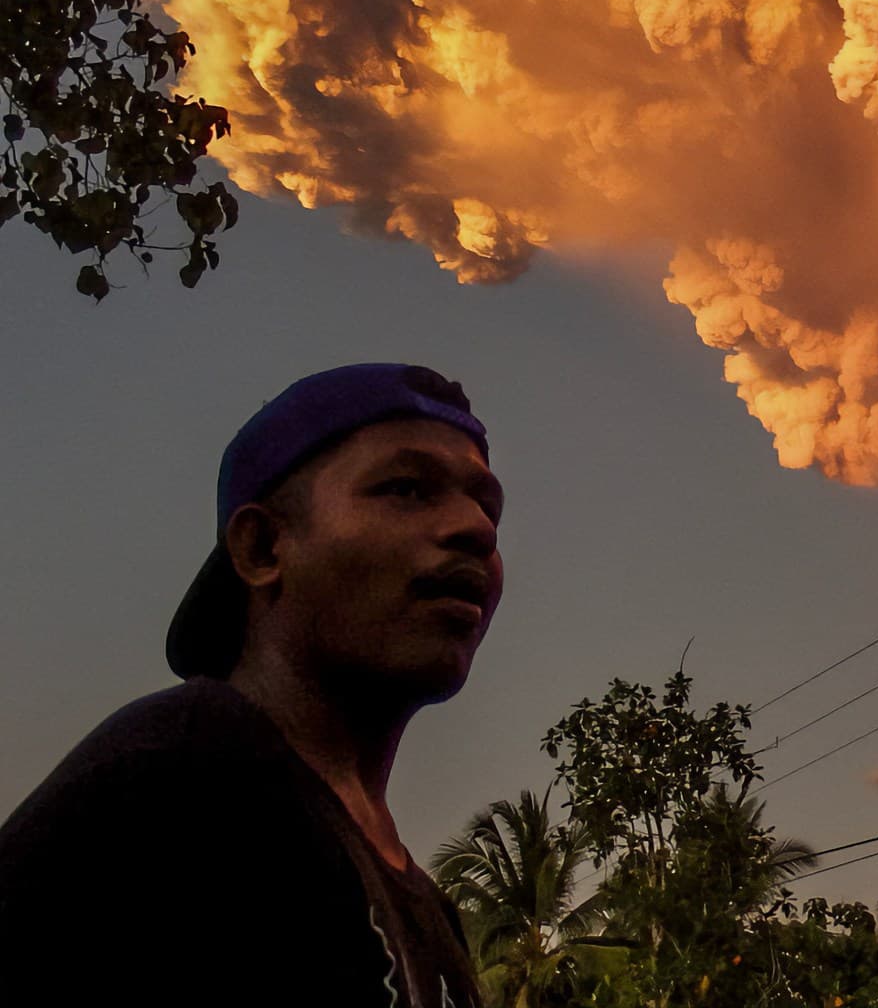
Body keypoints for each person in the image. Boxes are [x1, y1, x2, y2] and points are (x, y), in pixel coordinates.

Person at [0, 363, 506, 1006]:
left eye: (487, 505)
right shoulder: (171, 783)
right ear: (264, 548)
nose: (476, 528)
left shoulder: (431, 909)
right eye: (406, 489)